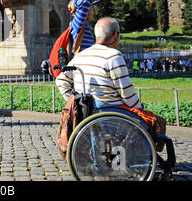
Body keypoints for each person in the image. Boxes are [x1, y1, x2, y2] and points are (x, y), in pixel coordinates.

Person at [56, 17, 166, 149]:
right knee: (158, 121)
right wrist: (141, 109)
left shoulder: (80, 56)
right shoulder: (113, 56)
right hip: (112, 113)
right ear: (115, 35)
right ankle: (147, 158)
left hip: (87, 112)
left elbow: (61, 80)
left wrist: (74, 102)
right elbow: (128, 95)